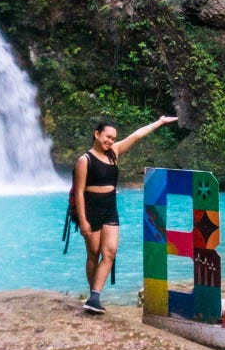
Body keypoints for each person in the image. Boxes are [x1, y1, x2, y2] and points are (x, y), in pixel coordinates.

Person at [73, 116, 178, 313]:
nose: (110, 141)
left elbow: (137, 135)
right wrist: (83, 221)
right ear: (97, 134)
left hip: (110, 207)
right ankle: (91, 294)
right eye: (107, 137)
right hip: (91, 210)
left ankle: (95, 296)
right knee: (93, 253)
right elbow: (79, 193)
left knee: (110, 251)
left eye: (113, 138)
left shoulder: (114, 152)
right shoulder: (84, 160)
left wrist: (160, 122)